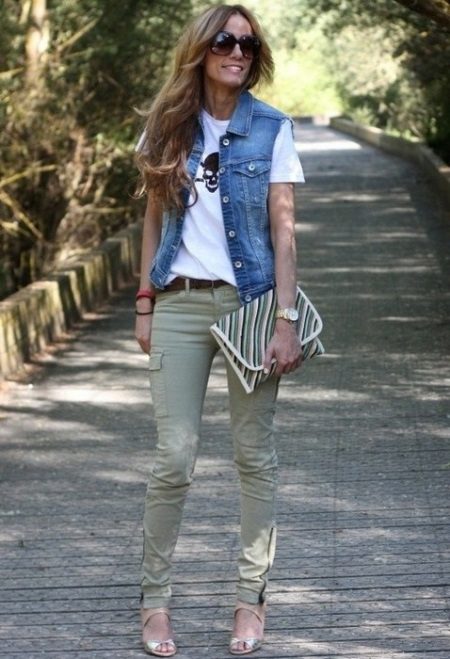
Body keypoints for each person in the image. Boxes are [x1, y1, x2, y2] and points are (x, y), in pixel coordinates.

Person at [134, 4, 305, 656]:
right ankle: (154, 603)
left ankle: (249, 599)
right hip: (177, 305)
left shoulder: (273, 129)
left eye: (248, 44)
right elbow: (153, 220)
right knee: (173, 459)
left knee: (254, 456)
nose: (237, 52)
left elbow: (284, 231)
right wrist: (144, 304)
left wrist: (286, 320)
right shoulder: (166, 126)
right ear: (201, 49)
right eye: (225, 41)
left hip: (251, 308)